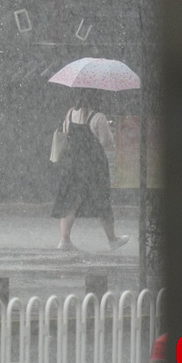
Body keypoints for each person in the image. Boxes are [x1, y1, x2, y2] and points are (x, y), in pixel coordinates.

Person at [52, 88, 130, 251]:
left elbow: (67, 134)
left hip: (72, 164)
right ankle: (112, 239)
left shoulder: (70, 114)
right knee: (101, 201)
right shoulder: (98, 117)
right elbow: (107, 142)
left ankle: (64, 240)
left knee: (71, 201)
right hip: (93, 166)